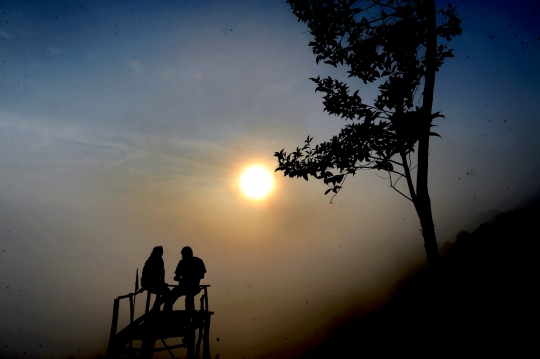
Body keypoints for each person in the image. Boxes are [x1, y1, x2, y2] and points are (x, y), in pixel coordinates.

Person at [165, 246, 206, 311]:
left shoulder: (196, 261)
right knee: (171, 296)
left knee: (189, 297)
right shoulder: (184, 262)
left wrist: (189, 279)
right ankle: (167, 313)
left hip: (193, 287)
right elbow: (177, 276)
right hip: (184, 287)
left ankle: (189, 313)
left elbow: (201, 275)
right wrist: (180, 279)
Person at [141, 246, 170, 312]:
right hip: (150, 283)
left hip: (152, 283)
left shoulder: (152, 259)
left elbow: (161, 274)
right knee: (168, 293)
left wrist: (162, 283)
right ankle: (155, 309)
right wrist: (162, 283)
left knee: (165, 293)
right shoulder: (154, 260)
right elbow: (158, 274)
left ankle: (155, 309)